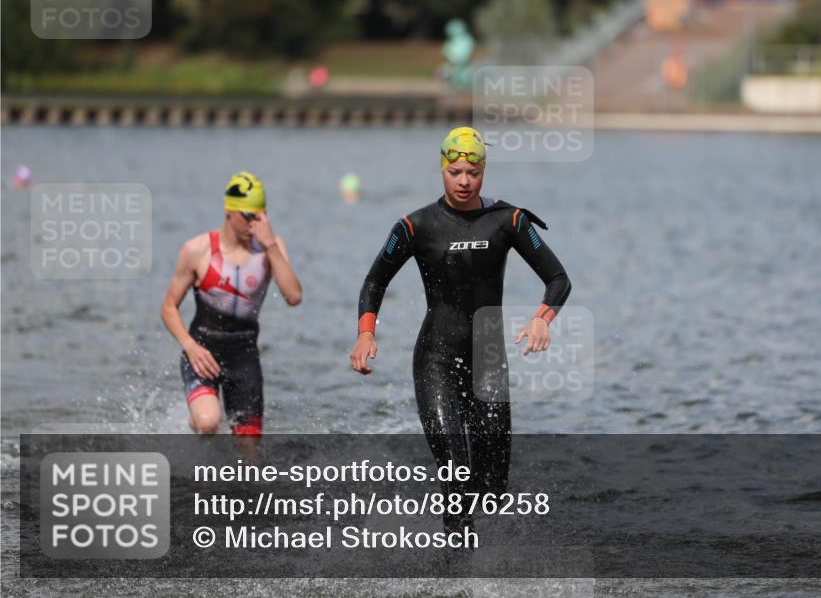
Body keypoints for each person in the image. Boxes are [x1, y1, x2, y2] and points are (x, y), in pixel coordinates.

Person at [349, 127, 571, 533]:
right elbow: (374, 281)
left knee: (492, 487)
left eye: (473, 171)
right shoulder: (416, 226)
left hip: (487, 359)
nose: (464, 180)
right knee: (456, 471)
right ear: (442, 170)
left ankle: (486, 565)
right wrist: (366, 333)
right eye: (455, 172)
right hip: (435, 357)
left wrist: (542, 317)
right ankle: (456, 567)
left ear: (483, 171)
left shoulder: (510, 220)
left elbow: (558, 279)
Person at [161, 172, 302, 437]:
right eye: (249, 216)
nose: (255, 224)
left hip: (244, 355)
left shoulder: (270, 247)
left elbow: (293, 297)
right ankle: (197, 424)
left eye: (261, 216)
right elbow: (168, 307)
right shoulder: (198, 250)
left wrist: (270, 244)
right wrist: (190, 347)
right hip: (203, 352)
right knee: (207, 422)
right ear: (229, 212)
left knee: (248, 461)